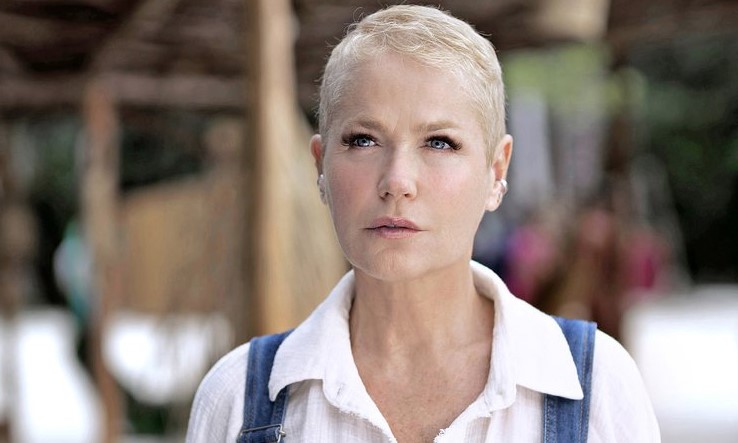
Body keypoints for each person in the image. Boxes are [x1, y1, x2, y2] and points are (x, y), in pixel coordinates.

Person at [186, 5, 660, 442]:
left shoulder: (597, 388)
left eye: (439, 143)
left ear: (496, 170)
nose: (397, 182)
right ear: (320, 166)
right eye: (363, 139)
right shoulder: (235, 400)